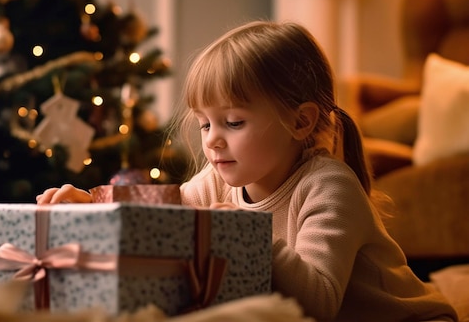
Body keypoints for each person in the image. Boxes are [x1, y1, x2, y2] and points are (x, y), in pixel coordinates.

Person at [36, 20, 458, 322]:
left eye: (233, 123)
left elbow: (320, 303)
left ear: (301, 122)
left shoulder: (328, 187)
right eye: (205, 124)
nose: (212, 141)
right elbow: (162, 219)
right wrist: (92, 206)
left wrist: (244, 235)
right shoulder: (215, 181)